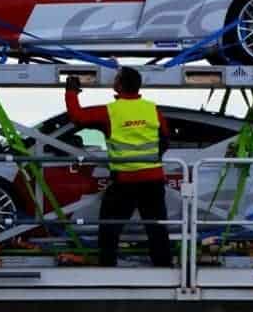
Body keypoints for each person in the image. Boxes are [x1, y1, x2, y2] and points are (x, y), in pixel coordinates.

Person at [65, 67, 173, 267]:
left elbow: (77, 117)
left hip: (125, 181)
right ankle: (164, 267)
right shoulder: (152, 109)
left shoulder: (111, 112)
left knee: (110, 227)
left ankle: (107, 267)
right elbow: (165, 139)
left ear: (119, 85)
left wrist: (71, 91)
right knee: (156, 228)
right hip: (153, 179)